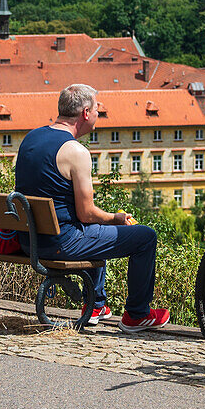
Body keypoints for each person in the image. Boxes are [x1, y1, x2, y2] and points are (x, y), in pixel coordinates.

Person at [14, 84, 170, 332]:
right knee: (145, 237)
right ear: (86, 113)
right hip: (59, 244)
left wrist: (104, 220)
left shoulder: (31, 138)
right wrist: (116, 218)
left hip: (28, 240)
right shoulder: (77, 152)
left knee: (97, 228)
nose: (99, 113)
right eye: (98, 108)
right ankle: (137, 314)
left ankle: (96, 305)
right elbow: (86, 213)